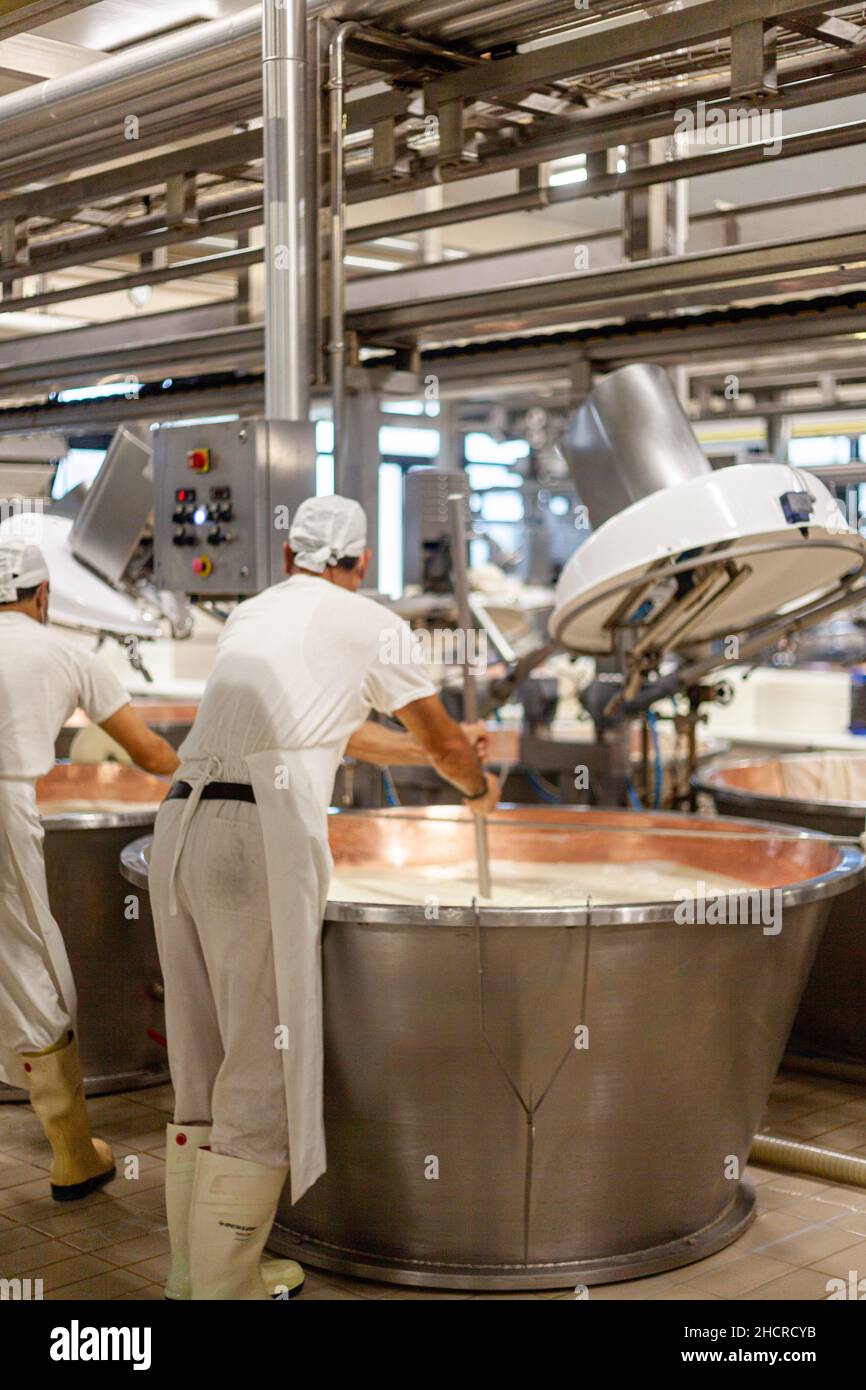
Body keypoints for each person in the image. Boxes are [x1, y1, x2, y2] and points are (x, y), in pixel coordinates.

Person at [149, 495, 500, 1301]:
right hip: (257, 833)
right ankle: (226, 1286)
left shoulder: (253, 614)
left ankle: (192, 1271)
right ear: (362, 564)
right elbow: (446, 744)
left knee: (201, 1058)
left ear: (287, 558)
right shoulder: (372, 621)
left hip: (181, 818)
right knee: (263, 1066)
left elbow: (335, 727)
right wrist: (475, 784)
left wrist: (422, 751)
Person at [0, 540, 180, 1201]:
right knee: (30, 965)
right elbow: (151, 753)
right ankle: (75, 1154)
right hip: (4, 806)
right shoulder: (69, 655)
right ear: (43, 596)